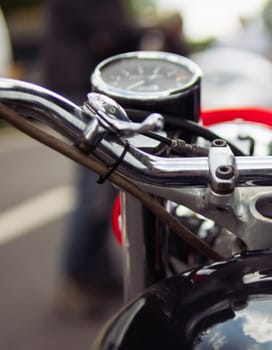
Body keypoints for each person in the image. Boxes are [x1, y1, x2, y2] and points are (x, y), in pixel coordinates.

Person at [42, 0, 143, 317]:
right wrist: (147, 30)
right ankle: (75, 279)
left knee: (106, 182)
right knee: (96, 187)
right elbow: (109, 34)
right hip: (81, 88)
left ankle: (97, 273)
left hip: (88, 86)